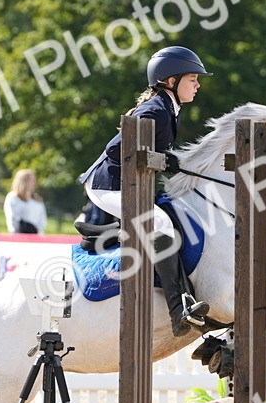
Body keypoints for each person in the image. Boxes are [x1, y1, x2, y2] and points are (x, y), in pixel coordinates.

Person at [80, 46, 211, 336]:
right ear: (171, 81)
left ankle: (102, 236)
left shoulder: (167, 108)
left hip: (126, 184)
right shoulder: (156, 110)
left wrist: (168, 161)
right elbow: (116, 148)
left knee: (166, 218)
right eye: (193, 79)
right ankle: (179, 309)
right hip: (108, 184)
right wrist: (162, 161)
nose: (198, 85)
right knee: (161, 222)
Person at [5, 169, 48, 234]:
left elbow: (42, 220)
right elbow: (13, 218)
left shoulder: (37, 199)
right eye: (30, 180)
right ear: (23, 181)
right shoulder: (13, 197)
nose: (33, 183)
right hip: (20, 235)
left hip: (36, 236)